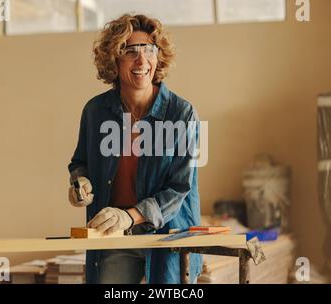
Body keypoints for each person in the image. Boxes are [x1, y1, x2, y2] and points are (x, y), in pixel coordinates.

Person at [67, 14, 202, 284]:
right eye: (130, 51)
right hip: (114, 237)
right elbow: (79, 163)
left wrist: (130, 216)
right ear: (114, 60)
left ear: (158, 57)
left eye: (149, 50)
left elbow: (179, 188)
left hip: (168, 237)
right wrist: (80, 184)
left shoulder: (181, 114)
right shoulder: (96, 112)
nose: (142, 61)